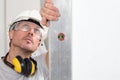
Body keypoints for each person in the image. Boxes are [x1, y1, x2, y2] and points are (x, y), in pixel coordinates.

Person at [0, 0, 60, 80]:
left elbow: (63, 49)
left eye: (37, 31)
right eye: (25, 27)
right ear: (11, 33)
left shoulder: (42, 65)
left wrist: (56, 18)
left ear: (38, 44)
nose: (31, 32)